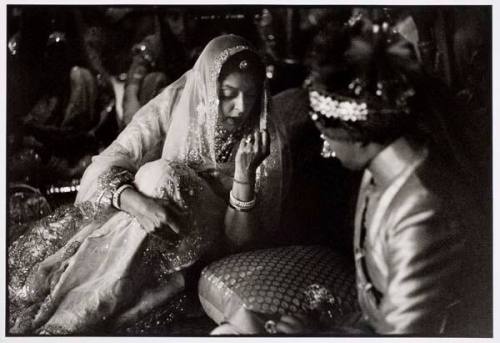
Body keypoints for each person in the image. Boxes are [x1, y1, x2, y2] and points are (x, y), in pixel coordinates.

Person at [8, 34, 288, 335]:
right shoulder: (182, 98)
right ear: (207, 86)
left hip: (206, 242)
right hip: (148, 222)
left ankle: (69, 320)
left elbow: (240, 243)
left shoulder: (264, 136)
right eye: (228, 93)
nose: (240, 107)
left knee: (166, 178)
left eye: (251, 94)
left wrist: (244, 174)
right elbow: (116, 156)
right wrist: (134, 202)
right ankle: (76, 310)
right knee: (156, 177)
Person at [272, 12, 488, 335]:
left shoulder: (424, 209)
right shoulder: (378, 167)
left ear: (355, 132)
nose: (323, 141)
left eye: (324, 131)